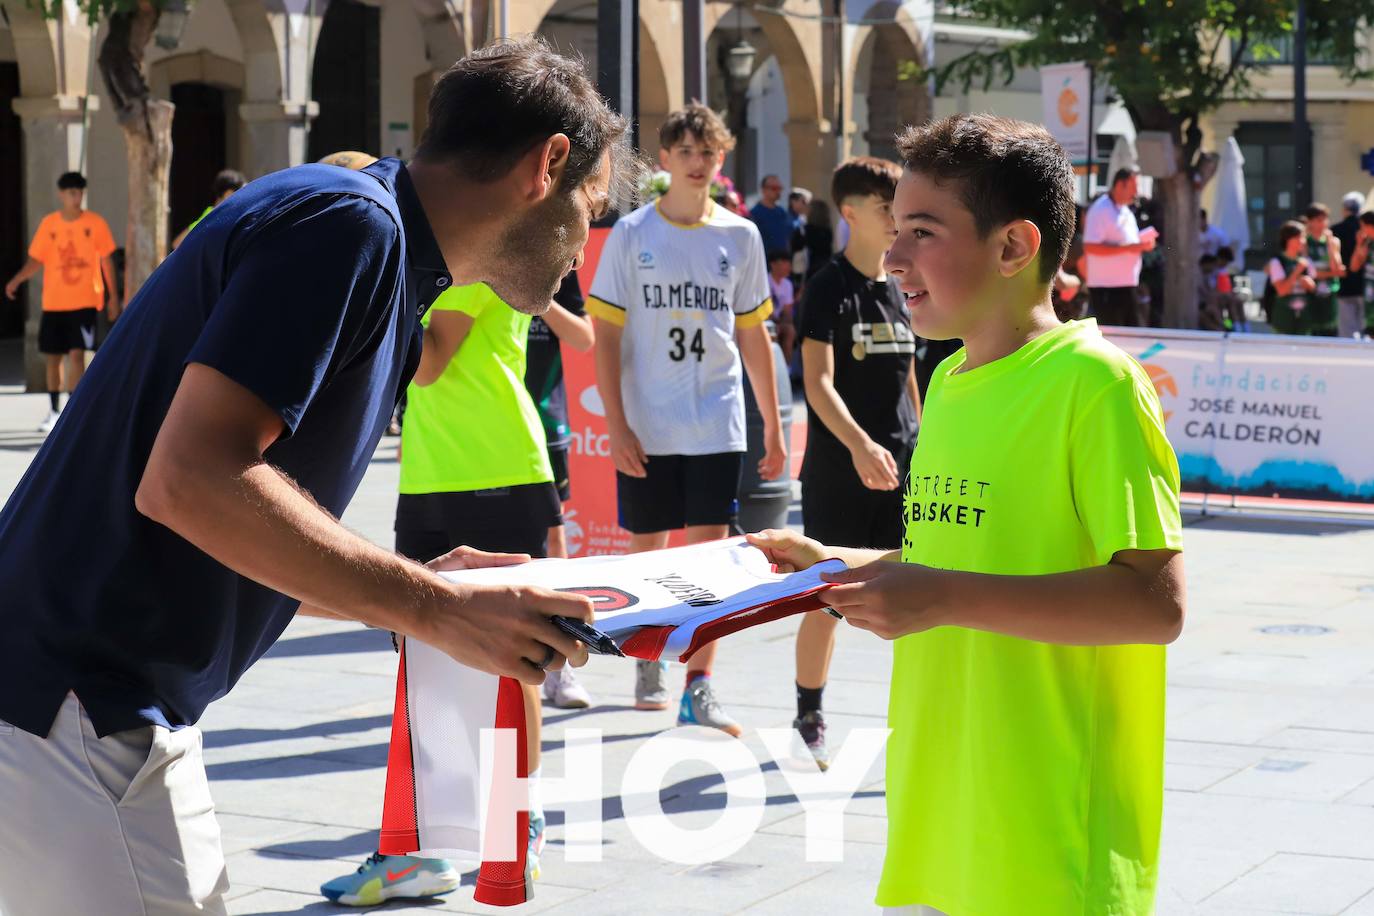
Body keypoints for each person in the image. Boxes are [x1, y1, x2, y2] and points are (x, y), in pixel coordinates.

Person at [0, 38, 636, 915]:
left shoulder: (375, 242)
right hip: (71, 708)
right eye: (591, 208)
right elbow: (189, 481)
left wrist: (425, 585)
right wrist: (434, 609)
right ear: (547, 164)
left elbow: (233, 525)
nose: (584, 246)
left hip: (80, 707)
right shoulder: (350, 227)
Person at [749, 113, 1185, 916]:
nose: (893, 256)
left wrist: (943, 596)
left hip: (1050, 847)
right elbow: (952, 561)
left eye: (922, 231)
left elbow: (1157, 605)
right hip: (941, 822)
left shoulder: (1097, 385)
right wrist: (830, 564)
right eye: (894, 230)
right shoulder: (948, 384)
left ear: (1013, 246)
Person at [322, 277, 574, 905]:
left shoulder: (477, 264)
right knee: (422, 655)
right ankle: (421, 849)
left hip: (495, 468)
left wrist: (370, 295)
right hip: (433, 467)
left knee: (515, 658)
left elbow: (429, 363)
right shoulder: (439, 269)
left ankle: (523, 820)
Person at [589, 102, 785, 735]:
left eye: (709, 152)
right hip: (649, 422)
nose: (698, 163)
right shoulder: (633, 234)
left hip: (716, 421)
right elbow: (606, 337)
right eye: (687, 152)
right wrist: (617, 424)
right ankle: (648, 662)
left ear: (721, 159)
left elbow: (753, 336)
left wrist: (773, 423)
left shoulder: (740, 236)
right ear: (666, 159)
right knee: (647, 553)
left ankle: (699, 684)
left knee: (710, 564)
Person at [792, 155, 920, 769]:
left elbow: (907, 376)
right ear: (850, 212)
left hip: (903, 467)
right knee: (828, 599)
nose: (897, 218)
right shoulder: (827, 286)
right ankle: (809, 714)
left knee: (918, 592)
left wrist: (924, 437)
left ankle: (920, 722)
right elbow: (817, 383)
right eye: (885, 207)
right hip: (840, 472)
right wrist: (860, 445)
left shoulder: (900, 284)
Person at [525, 270, 596, 707]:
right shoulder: (479, 250)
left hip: (545, 424)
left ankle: (559, 664)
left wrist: (537, 297)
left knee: (554, 539)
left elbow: (584, 337)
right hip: (483, 427)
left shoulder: (556, 260)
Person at [4, 171, 118, 433]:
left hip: (85, 301)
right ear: (61, 195)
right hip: (54, 303)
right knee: (53, 358)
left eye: (80, 193)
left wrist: (113, 297)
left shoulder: (95, 224)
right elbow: (37, 259)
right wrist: (17, 280)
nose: (76, 198)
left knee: (77, 355)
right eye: (71, 193)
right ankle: (54, 411)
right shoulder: (49, 224)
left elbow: (106, 261)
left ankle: (72, 411)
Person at [1083, 166, 1155, 327]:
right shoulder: (1101, 209)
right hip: (1106, 289)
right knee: (1113, 337)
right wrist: (1129, 248)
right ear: (1120, 185)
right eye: (1134, 187)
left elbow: (1128, 241)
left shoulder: (1125, 211)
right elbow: (1090, 247)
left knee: (1132, 336)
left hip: (1126, 286)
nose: (1136, 192)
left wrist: (1142, 244)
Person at [170, 169, 247, 251]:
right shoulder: (212, 215)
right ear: (228, 194)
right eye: (243, 192)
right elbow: (177, 243)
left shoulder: (215, 213)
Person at [1266, 220, 1318, 335]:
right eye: (1299, 237)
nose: (1302, 241)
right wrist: (1296, 272)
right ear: (1288, 239)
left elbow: (1314, 289)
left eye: (1303, 238)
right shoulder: (1277, 261)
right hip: (1283, 319)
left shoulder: (1306, 261)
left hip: (1304, 319)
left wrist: (1309, 284)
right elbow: (1281, 290)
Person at [1303, 203, 1344, 336]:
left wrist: (1330, 245)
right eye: (1319, 220)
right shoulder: (1304, 242)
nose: (1323, 223)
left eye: (1325, 219)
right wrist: (1328, 273)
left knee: (1330, 331)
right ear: (1310, 221)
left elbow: (1338, 270)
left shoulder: (1333, 241)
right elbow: (1308, 272)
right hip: (1311, 295)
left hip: (1330, 293)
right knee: (1312, 331)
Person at [1332, 191, 1366, 338]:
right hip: (1366, 286)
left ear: (1344, 209)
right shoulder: (1367, 230)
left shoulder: (1335, 230)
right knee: (1368, 333)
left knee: (1347, 334)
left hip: (1344, 285)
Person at [750, 173, 799, 255]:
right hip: (765, 259)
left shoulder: (782, 212)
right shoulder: (755, 213)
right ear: (764, 190)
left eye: (779, 188)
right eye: (774, 188)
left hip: (782, 259)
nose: (778, 191)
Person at [767, 249, 798, 363]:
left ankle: (787, 368)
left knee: (790, 330)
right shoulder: (764, 281)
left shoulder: (788, 284)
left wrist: (782, 323)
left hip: (779, 321)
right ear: (773, 264)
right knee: (772, 331)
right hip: (765, 322)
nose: (789, 267)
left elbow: (787, 311)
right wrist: (776, 324)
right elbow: (765, 311)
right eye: (785, 263)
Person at [1350, 211, 1374, 337]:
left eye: (1362, 226)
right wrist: (1359, 244)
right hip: (1369, 298)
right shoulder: (1367, 242)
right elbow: (1354, 267)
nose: (1361, 230)